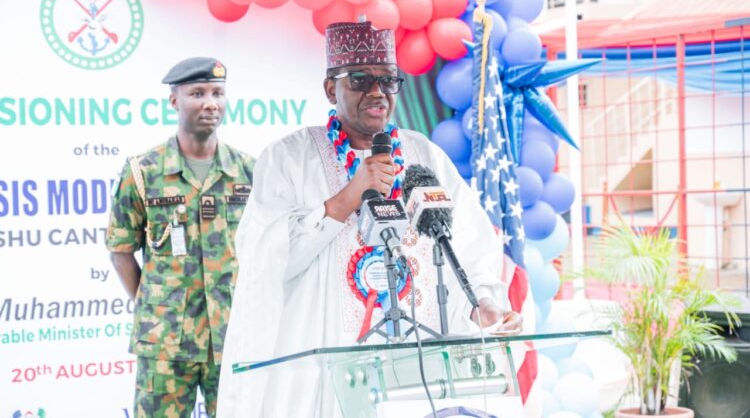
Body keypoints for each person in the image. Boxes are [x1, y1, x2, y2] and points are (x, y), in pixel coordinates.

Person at [217, 22, 522, 418]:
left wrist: (481, 303)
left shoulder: (423, 155)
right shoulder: (288, 158)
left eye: (388, 81)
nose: (377, 92)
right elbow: (266, 259)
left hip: (419, 379)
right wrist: (346, 198)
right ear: (331, 89)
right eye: (360, 80)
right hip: (323, 378)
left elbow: (470, 243)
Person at [106, 57, 254, 418]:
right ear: (174, 101)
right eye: (197, 93)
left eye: (218, 93)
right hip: (166, 342)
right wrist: (155, 303)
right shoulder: (143, 171)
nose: (210, 103)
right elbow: (120, 250)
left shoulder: (248, 171)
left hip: (234, 335)